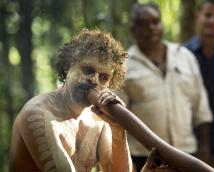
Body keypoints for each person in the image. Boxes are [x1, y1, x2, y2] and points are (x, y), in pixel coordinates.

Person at [9, 29, 133, 171]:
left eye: (104, 77)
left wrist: (118, 130)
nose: (94, 80)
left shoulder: (99, 120)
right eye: (87, 69)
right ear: (69, 65)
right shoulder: (37, 114)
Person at [121, 3, 213, 171]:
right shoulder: (123, 65)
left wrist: (205, 149)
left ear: (162, 24)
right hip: (144, 157)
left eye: (155, 22)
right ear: (133, 29)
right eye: (143, 24)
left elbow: (201, 108)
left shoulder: (185, 56)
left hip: (187, 154)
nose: (151, 28)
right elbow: (117, 119)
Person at [184, 0, 214, 166]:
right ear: (197, 15)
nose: (212, 20)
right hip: (187, 141)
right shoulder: (182, 55)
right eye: (207, 15)